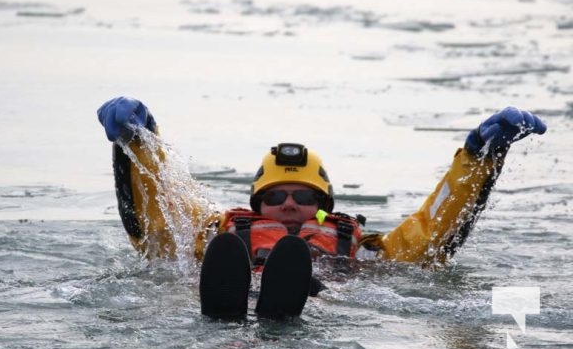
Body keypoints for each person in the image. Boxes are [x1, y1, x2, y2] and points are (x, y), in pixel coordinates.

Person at [97, 97, 547, 319]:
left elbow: (430, 231)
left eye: (304, 197)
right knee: (199, 265)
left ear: (324, 205)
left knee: (325, 287)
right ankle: (237, 302)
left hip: (325, 299)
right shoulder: (219, 232)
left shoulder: (360, 244)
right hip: (233, 284)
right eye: (275, 197)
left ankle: (283, 298)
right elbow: (159, 212)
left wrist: (479, 157)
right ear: (257, 204)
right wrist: (140, 139)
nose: (289, 204)